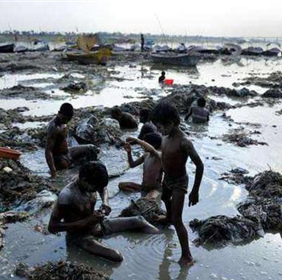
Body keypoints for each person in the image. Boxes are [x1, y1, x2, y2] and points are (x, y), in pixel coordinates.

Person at [48, 161, 159, 262]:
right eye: (95, 188)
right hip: (80, 236)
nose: (97, 190)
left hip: (98, 224)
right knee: (117, 256)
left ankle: (160, 242)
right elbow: (52, 227)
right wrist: (87, 221)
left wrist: (105, 203)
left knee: (139, 220)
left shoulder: (90, 181)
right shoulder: (67, 196)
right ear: (84, 181)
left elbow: (103, 188)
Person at [151, 102, 204, 266]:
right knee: (166, 199)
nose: (158, 130)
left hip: (179, 183)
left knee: (178, 220)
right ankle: (167, 216)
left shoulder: (184, 143)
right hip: (167, 179)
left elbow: (199, 165)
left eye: (160, 127)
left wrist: (195, 191)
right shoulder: (165, 137)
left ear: (171, 123)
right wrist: (160, 174)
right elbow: (164, 157)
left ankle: (187, 255)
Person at [45, 103, 99, 177]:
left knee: (91, 149)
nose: (66, 121)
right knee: (64, 168)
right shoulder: (53, 128)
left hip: (68, 152)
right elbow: (48, 150)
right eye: (64, 119)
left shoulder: (64, 122)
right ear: (59, 113)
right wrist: (53, 170)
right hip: (58, 157)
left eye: (68, 119)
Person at [118, 133, 163, 200]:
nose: (142, 146)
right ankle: (140, 195)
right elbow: (132, 165)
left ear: (153, 145)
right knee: (121, 185)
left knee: (149, 200)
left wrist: (136, 140)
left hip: (155, 189)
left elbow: (152, 150)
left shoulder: (159, 155)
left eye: (144, 144)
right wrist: (129, 153)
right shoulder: (146, 155)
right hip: (143, 187)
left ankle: (146, 196)